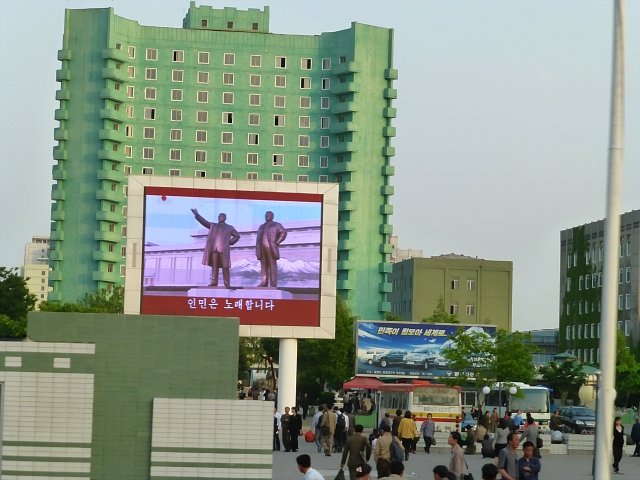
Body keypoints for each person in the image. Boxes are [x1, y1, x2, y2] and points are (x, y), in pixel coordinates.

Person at [191, 210, 240, 288]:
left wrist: (230, 242)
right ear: (218, 218)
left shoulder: (229, 227)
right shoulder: (213, 225)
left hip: (224, 249)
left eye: (222, 216)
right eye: (219, 216)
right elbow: (205, 222)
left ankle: (227, 283)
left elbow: (237, 235)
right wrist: (197, 215)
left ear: (225, 218)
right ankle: (214, 282)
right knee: (214, 266)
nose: (221, 218)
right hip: (214, 249)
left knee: (225, 266)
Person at [255, 210, 287, 287]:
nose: (267, 216)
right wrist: (258, 249)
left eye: (269, 215)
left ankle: (273, 283)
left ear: (272, 216)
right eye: (266, 215)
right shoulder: (261, 226)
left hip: (271, 248)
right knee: (263, 266)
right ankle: (264, 282)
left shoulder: (276, 225)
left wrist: (277, 242)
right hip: (262, 248)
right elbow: (258, 239)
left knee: (272, 266)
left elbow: (283, 233)